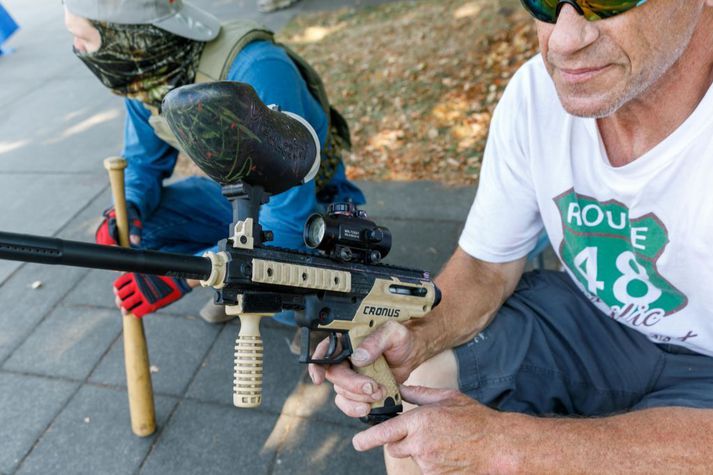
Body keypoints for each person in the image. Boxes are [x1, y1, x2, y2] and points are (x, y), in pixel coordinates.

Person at [311, 0, 713, 472]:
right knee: (421, 403)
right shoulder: (537, 93)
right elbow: (486, 266)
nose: (564, 41)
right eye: (543, 1)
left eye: (606, 0)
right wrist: (416, 336)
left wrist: (513, 447)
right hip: (592, 321)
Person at [63, 0, 364, 323]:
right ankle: (238, 279)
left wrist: (191, 272)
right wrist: (129, 207)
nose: (77, 48)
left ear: (127, 38)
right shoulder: (148, 78)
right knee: (142, 231)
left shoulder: (258, 69)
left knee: (293, 299)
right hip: (239, 198)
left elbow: (289, 220)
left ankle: (314, 315)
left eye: (84, 37)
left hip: (310, 214)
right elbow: (143, 163)